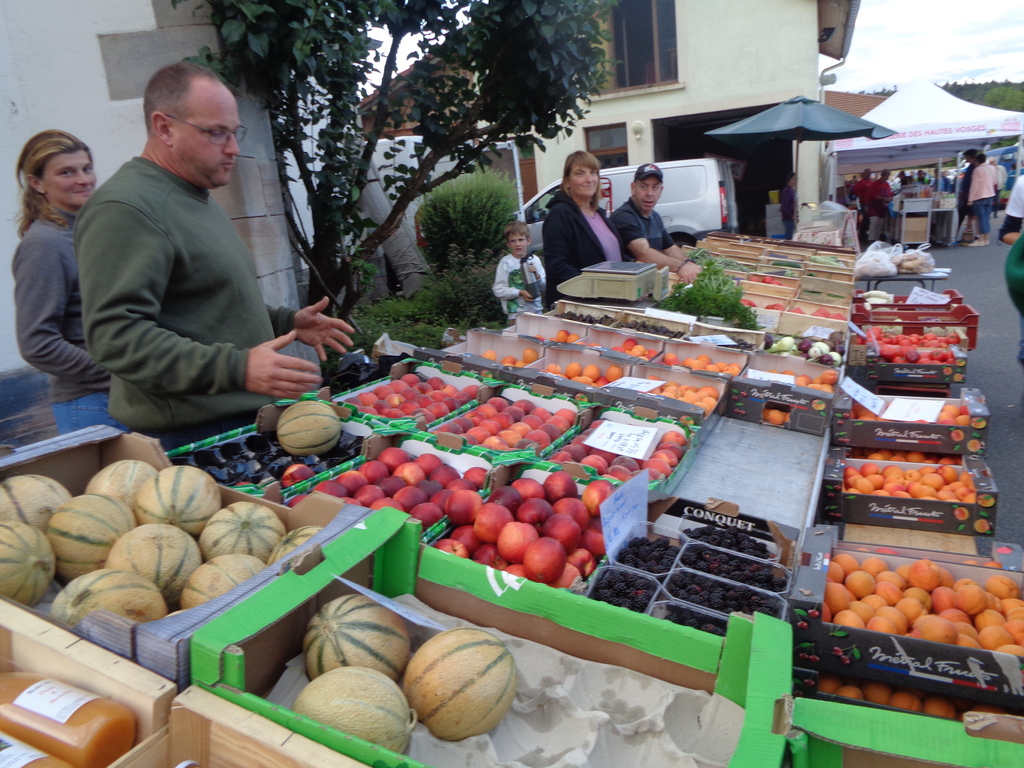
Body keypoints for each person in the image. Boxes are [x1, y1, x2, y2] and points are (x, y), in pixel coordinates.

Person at [75, 62, 354, 450]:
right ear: (164, 127)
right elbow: (115, 337)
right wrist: (237, 368)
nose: (233, 148)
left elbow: (206, 304)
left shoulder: (195, 196)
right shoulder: (126, 207)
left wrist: (286, 321)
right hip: (191, 437)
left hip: (237, 423)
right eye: (216, 132)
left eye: (234, 132)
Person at [11, 130, 123, 435]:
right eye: (66, 172)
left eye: (86, 168)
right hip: (91, 405)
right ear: (36, 182)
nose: (84, 180)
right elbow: (37, 343)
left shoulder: (85, 232)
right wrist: (117, 377)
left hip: (122, 399)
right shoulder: (44, 245)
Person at [541, 151, 630, 307]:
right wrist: (597, 287)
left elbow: (612, 256)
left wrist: (637, 269)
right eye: (580, 173)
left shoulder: (598, 213)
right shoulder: (560, 214)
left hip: (610, 301)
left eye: (593, 173)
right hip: (579, 307)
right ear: (567, 181)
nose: (589, 179)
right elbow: (557, 267)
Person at [609, 163, 701, 283]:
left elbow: (669, 247)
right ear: (633, 188)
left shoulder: (655, 216)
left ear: (661, 190)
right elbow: (644, 254)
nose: (650, 193)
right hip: (629, 287)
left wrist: (689, 263)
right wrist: (680, 267)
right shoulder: (624, 217)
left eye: (655, 187)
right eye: (644, 187)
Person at [492, 220, 545, 322]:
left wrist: (538, 277)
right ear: (508, 244)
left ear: (528, 240)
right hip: (516, 316)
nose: (517, 244)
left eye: (521, 240)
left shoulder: (535, 260)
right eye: (513, 241)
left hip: (536, 313)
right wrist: (519, 292)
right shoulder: (506, 263)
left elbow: (545, 287)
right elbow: (498, 289)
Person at [967, 152, 998, 247]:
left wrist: (970, 199)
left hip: (980, 196)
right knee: (986, 218)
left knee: (981, 218)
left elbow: (974, 186)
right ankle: (986, 238)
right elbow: (995, 181)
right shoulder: (992, 168)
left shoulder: (977, 170)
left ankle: (981, 239)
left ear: (977, 160)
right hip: (991, 194)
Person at [957, 149, 978, 243]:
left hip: (969, 195)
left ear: (971, 157)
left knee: (965, 214)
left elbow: (971, 183)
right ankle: (968, 233)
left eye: (966, 157)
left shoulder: (974, 168)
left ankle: (969, 234)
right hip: (966, 194)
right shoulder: (971, 166)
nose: (965, 159)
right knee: (969, 214)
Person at [866, 169, 892, 243]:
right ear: (883, 175)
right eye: (887, 176)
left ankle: (877, 239)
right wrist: (883, 198)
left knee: (880, 222)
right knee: (874, 221)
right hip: (873, 206)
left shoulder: (887, 184)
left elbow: (890, 193)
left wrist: (889, 198)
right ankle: (871, 238)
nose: (887, 178)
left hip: (882, 207)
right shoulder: (875, 184)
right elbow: (872, 195)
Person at [850, 169, 874, 240]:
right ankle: (862, 234)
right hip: (863, 202)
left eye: (869, 173)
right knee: (865, 217)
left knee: (868, 218)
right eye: (867, 173)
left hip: (869, 202)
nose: (868, 174)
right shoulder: (861, 182)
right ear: (864, 174)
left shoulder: (870, 182)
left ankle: (864, 233)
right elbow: (855, 190)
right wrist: (860, 195)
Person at [778, 172, 797, 241]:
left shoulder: (791, 190)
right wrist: (791, 216)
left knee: (791, 236)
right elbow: (783, 207)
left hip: (791, 218)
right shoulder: (787, 191)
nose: (795, 181)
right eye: (793, 179)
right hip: (788, 219)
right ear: (789, 180)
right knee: (789, 237)